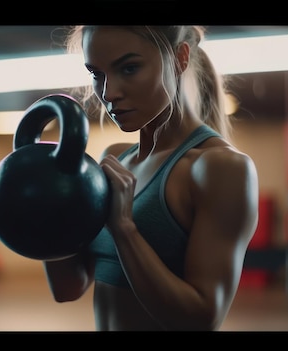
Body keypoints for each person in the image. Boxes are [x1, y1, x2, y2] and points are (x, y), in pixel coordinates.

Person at [43, 26, 259, 331]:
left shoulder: (220, 168)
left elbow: (202, 317)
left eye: (129, 68)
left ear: (179, 58)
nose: (108, 93)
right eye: (97, 73)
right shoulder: (116, 158)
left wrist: (124, 228)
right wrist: (47, 208)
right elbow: (69, 287)